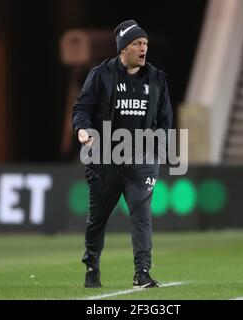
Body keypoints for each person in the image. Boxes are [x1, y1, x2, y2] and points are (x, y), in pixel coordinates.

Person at [72, 19, 173, 288]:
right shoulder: (101, 75)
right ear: (123, 48)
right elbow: (82, 108)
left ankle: (142, 272)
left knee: (141, 213)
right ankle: (92, 264)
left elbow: (165, 119)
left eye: (146, 44)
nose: (143, 48)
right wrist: (83, 130)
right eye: (137, 43)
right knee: (98, 218)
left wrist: (159, 153)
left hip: (141, 160)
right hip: (105, 159)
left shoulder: (156, 78)